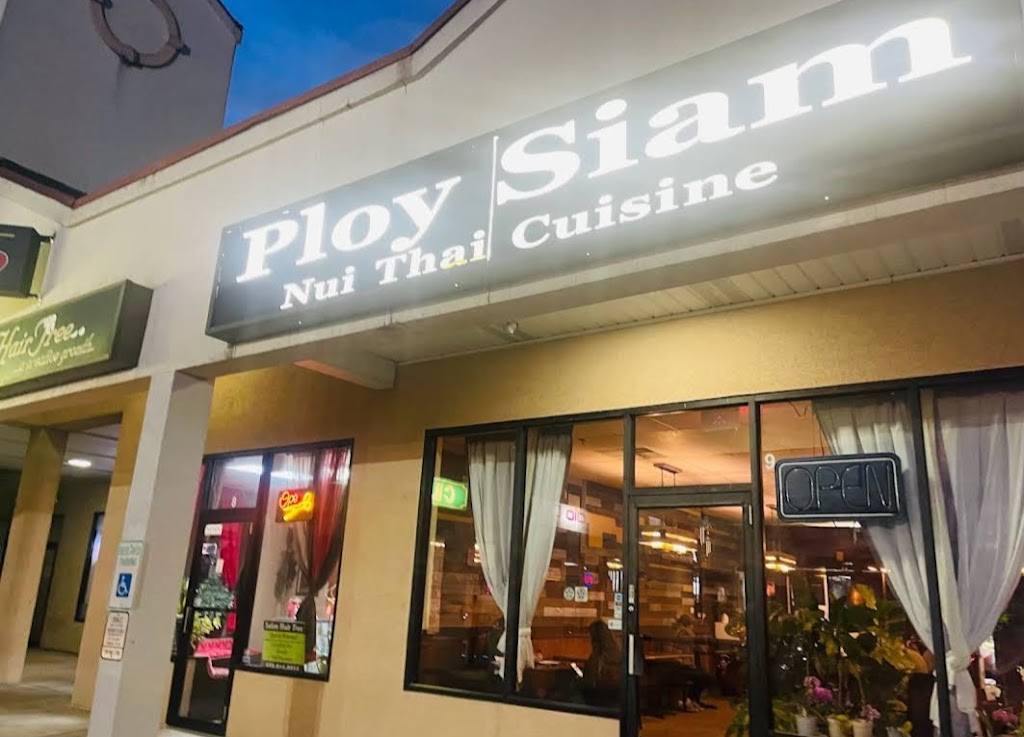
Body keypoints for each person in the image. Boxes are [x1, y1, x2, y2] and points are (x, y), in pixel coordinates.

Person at [583, 620, 622, 706]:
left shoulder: (600, 658)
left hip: (601, 700)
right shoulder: (617, 653)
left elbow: (591, 682)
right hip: (613, 699)